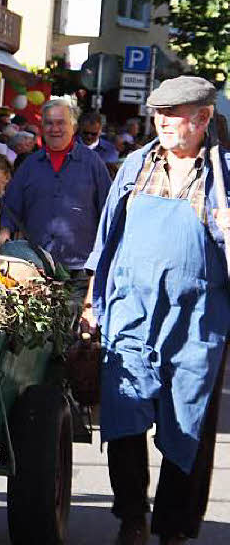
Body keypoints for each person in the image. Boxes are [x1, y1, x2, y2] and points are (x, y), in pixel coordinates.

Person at [83, 76, 230, 545]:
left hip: (198, 322)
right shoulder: (135, 166)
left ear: (203, 118)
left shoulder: (224, 175)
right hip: (131, 312)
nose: (163, 122)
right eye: (159, 114)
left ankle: (172, 526)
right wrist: (92, 302)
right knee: (123, 414)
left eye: (175, 114)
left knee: (187, 422)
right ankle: (132, 516)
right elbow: (106, 240)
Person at [0, 99, 111, 271]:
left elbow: (109, 213)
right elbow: (10, 209)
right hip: (36, 268)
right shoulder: (29, 165)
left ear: (73, 127)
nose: (55, 129)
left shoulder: (93, 164)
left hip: (81, 270)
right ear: (42, 127)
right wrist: (4, 234)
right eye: (49, 123)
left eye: (61, 123)